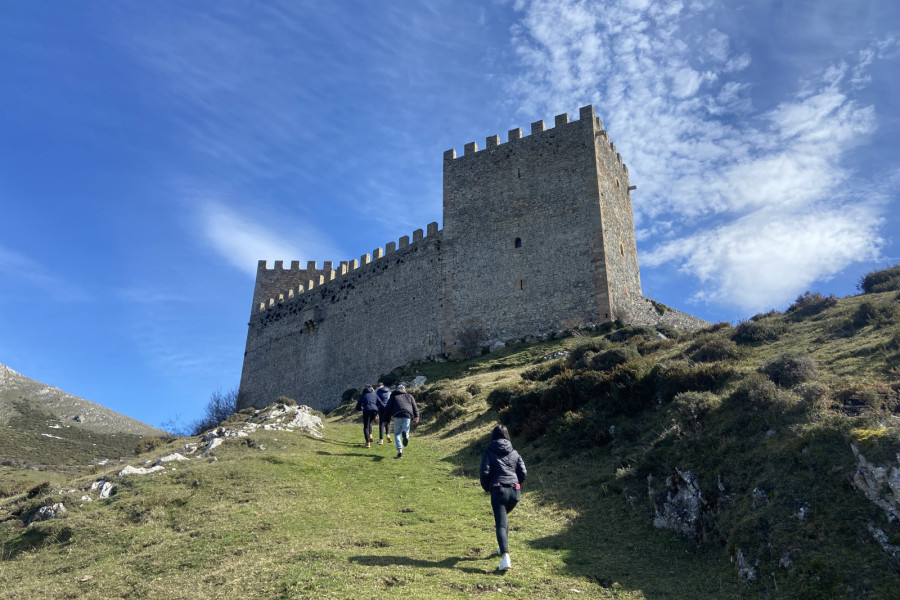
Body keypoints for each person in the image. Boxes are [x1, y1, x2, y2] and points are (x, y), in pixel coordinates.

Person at [480, 424, 527, 572]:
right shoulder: (514, 452)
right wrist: (515, 483)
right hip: (515, 492)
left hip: (499, 489)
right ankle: (502, 548)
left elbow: (484, 471)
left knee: (500, 523)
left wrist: (487, 487)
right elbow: (523, 473)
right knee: (503, 520)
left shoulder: (489, 451)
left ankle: (505, 557)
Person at [384, 384, 418, 459]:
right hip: (407, 415)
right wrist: (416, 416)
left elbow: (387, 409)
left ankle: (400, 452)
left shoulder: (393, 397)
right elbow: (414, 406)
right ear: (404, 390)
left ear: (396, 390)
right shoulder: (409, 396)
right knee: (406, 430)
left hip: (397, 415)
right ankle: (405, 434)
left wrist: (385, 420)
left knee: (396, 434)